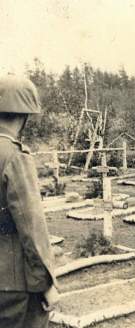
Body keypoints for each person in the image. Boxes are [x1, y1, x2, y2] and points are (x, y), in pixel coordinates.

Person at [0, 75, 59, 328]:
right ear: (24, 116)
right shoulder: (14, 157)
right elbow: (31, 226)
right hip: (15, 284)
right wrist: (45, 283)